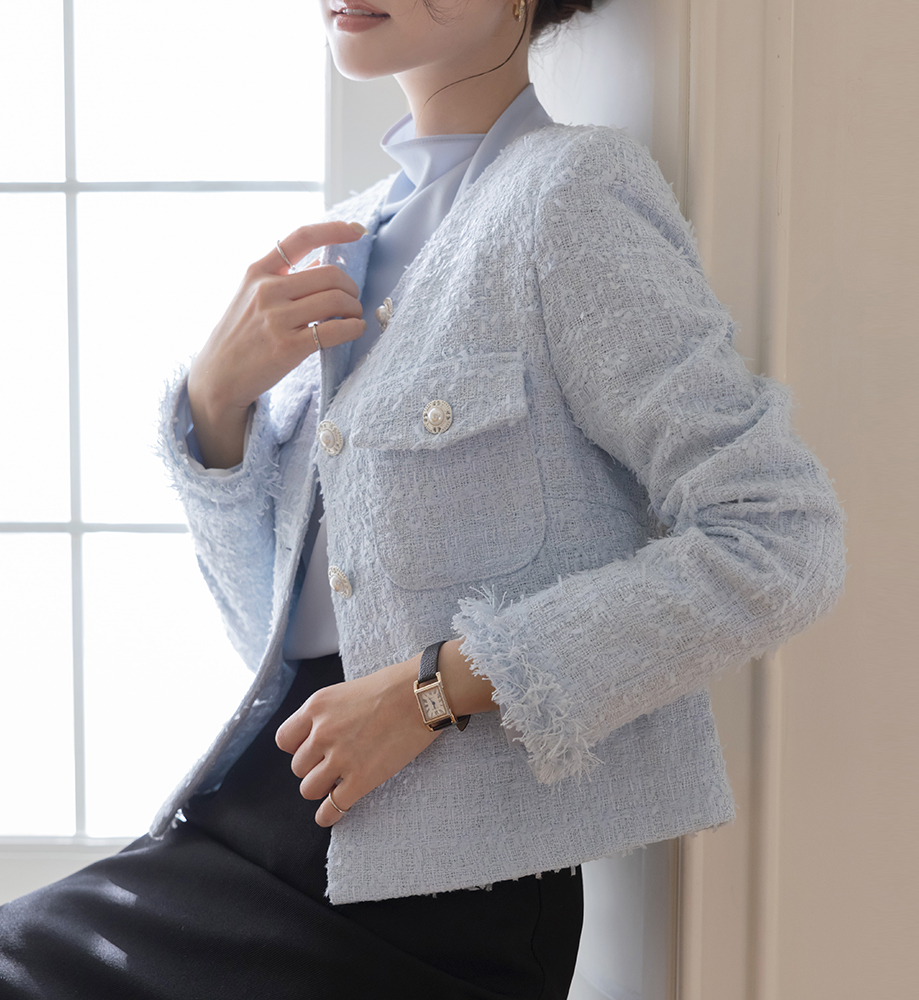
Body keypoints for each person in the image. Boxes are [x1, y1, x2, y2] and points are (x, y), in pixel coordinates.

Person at [0, 0, 847, 997]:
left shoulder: (570, 194)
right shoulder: (348, 237)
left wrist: (434, 688)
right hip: (243, 834)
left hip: (435, 908)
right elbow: (269, 635)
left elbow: (778, 537)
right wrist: (215, 406)